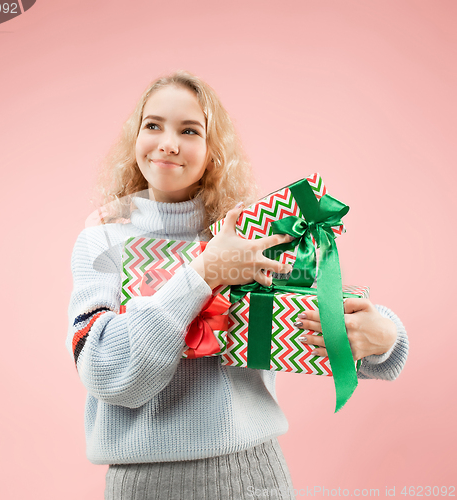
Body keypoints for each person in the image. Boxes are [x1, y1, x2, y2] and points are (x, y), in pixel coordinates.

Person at [66, 70, 408, 500]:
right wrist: (204, 272)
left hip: (253, 479)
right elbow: (106, 370)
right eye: (153, 125)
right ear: (134, 137)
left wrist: (388, 338)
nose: (168, 142)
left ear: (213, 152)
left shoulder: (246, 231)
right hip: (142, 486)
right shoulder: (102, 241)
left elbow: (314, 310)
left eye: (189, 130)